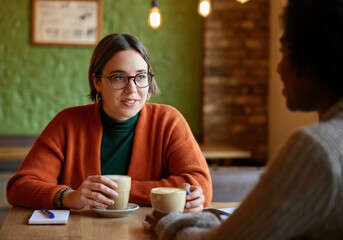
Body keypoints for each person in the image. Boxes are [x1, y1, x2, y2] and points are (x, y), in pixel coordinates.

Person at [145, 0, 343, 238]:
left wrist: (168, 223)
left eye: (284, 51)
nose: (279, 68)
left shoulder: (317, 148)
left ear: (313, 57)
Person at [6, 33, 212, 212]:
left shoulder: (168, 121)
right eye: (119, 78)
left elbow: (200, 185)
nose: (132, 90)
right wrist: (69, 197)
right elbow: (19, 187)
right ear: (97, 82)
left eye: (140, 77)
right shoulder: (67, 123)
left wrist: (123, 193)